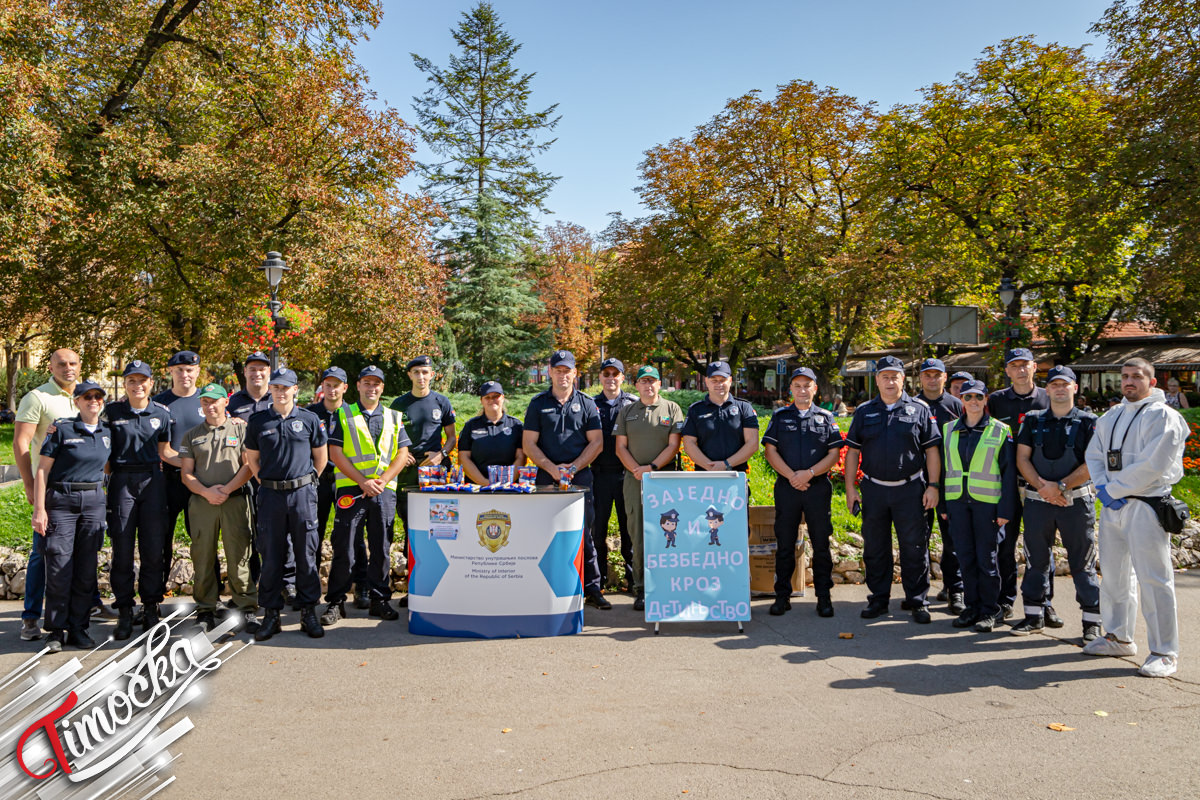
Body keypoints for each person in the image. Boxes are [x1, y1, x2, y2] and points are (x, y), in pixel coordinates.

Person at [1083, 358, 1189, 677]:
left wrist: (1112, 489)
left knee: (1154, 578)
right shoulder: (1111, 415)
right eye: (1125, 376)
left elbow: (1154, 464)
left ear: (1152, 382)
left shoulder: (1165, 417)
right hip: (1113, 505)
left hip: (1147, 502)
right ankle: (1118, 636)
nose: (1129, 381)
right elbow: (1094, 454)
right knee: (1115, 574)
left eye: (1137, 377)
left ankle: (1164, 651)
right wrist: (1104, 489)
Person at [843, 356, 941, 624]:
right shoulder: (865, 412)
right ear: (877, 380)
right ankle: (879, 599)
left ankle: (918, 600)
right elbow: (852, 451)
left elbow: (932, 450)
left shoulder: (919, 409)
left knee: (914, 547)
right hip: (874, 489)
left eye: (894, 376)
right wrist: (851, 488)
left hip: (910, 490)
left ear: (903, 379)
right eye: (884, 376)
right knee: (875, 547)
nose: (890, 381)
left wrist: (933, 486)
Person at [1013, 366, 1101, 641]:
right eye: (1054, 385)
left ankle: (1091, 622)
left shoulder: (1089, 422)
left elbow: (1092, 464)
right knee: (1036, 561)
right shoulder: (1033, 420)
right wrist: (1043, 487)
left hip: (1076, 504)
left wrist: (1061, 487)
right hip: (1039, 502)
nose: (1060, 389)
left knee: (1082, 564)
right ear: (1047, 389)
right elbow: (1022, 459)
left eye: (1066, 384)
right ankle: (1033, 616)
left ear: (1075, 388)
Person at [322, 366, 411, 626]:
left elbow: (402, 453)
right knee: (344, 547)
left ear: (382, 388)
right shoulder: (343, 413)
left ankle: (379, 600)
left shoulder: (395, 416)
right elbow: (335, 453)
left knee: (382, 547)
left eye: (376, 384)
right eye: (367, 383)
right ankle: (336, 602)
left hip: (383, 491)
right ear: (358, 386)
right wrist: (363, 481)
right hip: (352, 488)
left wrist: (381, 481)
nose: (371, 387)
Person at [244, 368, 329, 641]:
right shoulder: (258, 421)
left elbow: (321, 458)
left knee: (306, 556)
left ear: (295, 390)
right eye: (276, 387)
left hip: (303, 495)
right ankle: (270, 615)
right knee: (271, 557)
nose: (281, 392)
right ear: (271, 389)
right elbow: (252, 460)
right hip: (270, 496)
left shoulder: (309, 419)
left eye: (286, 387)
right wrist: (267, 483)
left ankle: (308, 613)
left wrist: (306, 482)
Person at [522, 349, 610, 609]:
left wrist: (572, 468)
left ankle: (592, 587)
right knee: (544, 532)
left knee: (585, 533)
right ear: (550, 372)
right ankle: (543, 585)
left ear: (575, 373)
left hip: (580, 479)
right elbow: (529, 444)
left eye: (567, 370)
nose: (562, 375)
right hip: (546, 479)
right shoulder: (538, 404)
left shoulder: (586, 403)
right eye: (558, 370)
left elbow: (597, 442)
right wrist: (552, 469)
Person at [30, 380, 110, 651]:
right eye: (87, 397)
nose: (93, 401)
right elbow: (42, 470)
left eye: (98, 396)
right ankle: (55, 631)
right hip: (62, 502)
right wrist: (39, 510)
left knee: (86, 569)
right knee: (59, 567)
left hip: (93, 502)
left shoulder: (107, 432)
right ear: (76, 401)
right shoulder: (61, 429)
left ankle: (79, 627)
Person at [762, 367, 844, 617]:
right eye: (797, 385)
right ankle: (782, 596)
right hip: (787, 488)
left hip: (817, 488)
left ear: (815, 389)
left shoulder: (826, 418)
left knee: (821, 544)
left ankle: (824, 597)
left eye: (807, 385)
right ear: (791, 390)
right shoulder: (780, 416)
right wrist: (792, 476)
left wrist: (808, 474)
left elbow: (833, 453)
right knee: (785, 543)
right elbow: (770, 451)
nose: (802, 390)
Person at [179, 382, 259, 633]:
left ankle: (245, 607)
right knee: (202, 556)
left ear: (226, 401)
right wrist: (206, 492)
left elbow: (249, 466)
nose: (210, 406)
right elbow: (186, 474)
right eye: (205, 401)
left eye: (215, 401)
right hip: (203, 503)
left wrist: (227, 489)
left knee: (239, 555)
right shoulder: (191, 435)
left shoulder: (241, 429)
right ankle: (205, 609)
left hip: (235, 500)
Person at [106, 360, 177, 639]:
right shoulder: (112, 412)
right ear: (125, 384)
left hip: (152, 482)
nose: (137, 386)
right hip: (122, 481)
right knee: (122, 547)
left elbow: (166, 452)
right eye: (131, 381)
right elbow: (105, 455)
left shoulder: (161, 412)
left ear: (151, 383)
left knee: (152, 547)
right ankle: (125, 609)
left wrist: (194, 463)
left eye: (142, 380)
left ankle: (150, 606)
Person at [12, 348, 80, 642]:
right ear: (50, 366)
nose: (68, 368)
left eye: (73, 363)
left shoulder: (89, 397)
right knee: (42, 551)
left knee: (83, 551)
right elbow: (21, 442)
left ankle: (87, 605)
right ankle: (30, 617)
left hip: (84, 489)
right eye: (62, 363)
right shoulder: (37, 398)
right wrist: (29, 484)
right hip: (50, 487)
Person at [940, 380, 1018, 632]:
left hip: (988, 505)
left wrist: (1007, 510)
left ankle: (990, 610)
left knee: (987, 560)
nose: (973, 401)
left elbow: (1009, 475)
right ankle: (972, 608)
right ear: (960, 400)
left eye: (978, 397)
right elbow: (943, 470)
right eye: (967, 397)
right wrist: (943, 504)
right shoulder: (949, 429)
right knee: (965, 557)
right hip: (957, 504)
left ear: (986, 400)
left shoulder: (1000, 430)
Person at [986, 347, 1054, 623]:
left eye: (1025, 365)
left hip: (1040, 484)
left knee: (1041, 547)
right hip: (1007, 485)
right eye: (1015, 366)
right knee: (1005, 546)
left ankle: (1044, 602)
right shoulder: (997, 401)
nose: (1021, 370)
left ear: (1035, 367)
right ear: (1007, 371)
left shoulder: (1049, 398)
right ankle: (1005, 600)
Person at [614, 365, 683, 610]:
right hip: (635, 481)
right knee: (639, 534)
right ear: (636, 385)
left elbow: (674, 445)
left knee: (668, 533)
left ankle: (667, 584)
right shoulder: (627, 411)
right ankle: (641, 588)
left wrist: (651, 468)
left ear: (659, 383)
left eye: (652, 381)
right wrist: (637, 470)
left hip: (664, 481)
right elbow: (620, 447)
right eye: (643, 381)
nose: (648, 385)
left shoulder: (672, 409)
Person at [391, 355, 457, 605]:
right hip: (408, 473)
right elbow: (392, 436)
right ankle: (415, 588)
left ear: (432, 375)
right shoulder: (399, 404)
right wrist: (402, 454)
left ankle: (444, 586)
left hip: (435, 474)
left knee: (441, 528)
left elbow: (451, 436)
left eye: (425, 372)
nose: (421, 376)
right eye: (416, 372)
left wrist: (442, 454)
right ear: (410, 375)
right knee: (412, 531)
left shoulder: (442, 401)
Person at [230, 351, 292, 604]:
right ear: (244, 372)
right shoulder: (232, 403)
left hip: (274, 480)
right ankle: (254, 582)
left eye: (262, 369)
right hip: (243, 479)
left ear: (269, 372)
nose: (257, 373)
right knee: (250, 533)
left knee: (282, 533)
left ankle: (286, 582)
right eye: (252, 369)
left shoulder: (279, 397)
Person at [306, 366, 369, 608]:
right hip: (318, 481)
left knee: (354, 536)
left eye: (337, 385)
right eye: (328, 384)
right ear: (322, 387)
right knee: (314, 534)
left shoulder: (355, 414)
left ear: (345, 387)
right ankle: (309, 589)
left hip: (349, 482)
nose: (332, 389)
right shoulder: (310, 414)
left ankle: (360, 586)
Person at [152, 350, 207, 588]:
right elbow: (157, 447)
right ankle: (154, 597)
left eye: (189, 370)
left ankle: (208, 595)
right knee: (160, 540)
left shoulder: (208, 400)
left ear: (197, 371)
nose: (185, 374)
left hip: (200, 482)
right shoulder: (159, 403)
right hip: (167, 481)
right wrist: (187, 463)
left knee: (203, 540)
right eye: (179, 370)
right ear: (171, 371)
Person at [916, 358, 966, 616]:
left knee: (953, 539)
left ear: (945, 378)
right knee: (918, 539)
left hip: (950, 484)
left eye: (937, 375)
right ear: (920, 378)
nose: (932, 379)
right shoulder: (912, 405)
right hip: (917, 484)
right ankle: (918, 593)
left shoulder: (957, 405)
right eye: (927, 375)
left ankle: (954, 590)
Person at [591, 358, 637, 591]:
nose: (610, 378)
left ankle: (633, 580)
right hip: (599, 475)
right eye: (606, 374)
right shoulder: (591, 404)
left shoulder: (633, 404)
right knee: (597, 530)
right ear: (600, 377)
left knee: (629, 529)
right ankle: (598, 582)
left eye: (615, 374)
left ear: (622, 377)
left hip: (626, 474)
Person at [680, 361, 759, 477]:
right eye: (714, 380)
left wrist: (726, 464)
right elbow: (689, 443)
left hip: (736, 476)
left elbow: (752, 443)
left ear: (730, 381)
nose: (719, 384)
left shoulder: (744, 408)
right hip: (704, 477)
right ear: (706, 381)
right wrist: (710, 467)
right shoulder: (696, 410)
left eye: (723, 380)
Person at [458, 381, 525, 485]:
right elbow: (464, 458)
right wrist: (484, 482)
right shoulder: (471, 425)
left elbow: (521, 458)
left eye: (495, 396)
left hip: (509, 487)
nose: (492, 400)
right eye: (487, 397)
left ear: (503, 398)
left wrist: (506, 483)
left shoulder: (516, 425)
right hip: (476, 487)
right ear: (481, 400)